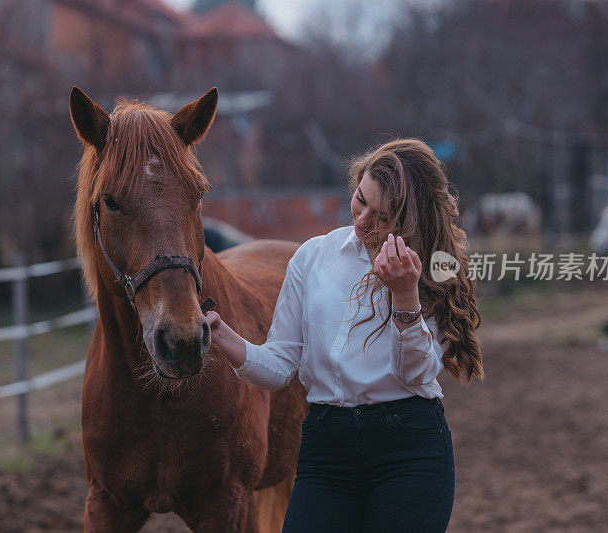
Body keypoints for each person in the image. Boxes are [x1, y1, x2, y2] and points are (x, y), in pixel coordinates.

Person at [206, 138, 484, 533]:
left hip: (408, 450)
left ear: (410, 219)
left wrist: (405, 296)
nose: (362, 220)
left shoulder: (436, 268)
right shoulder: (313, 256)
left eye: (382, 215)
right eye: (360, 199)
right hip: (326, 449)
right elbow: (281, 365)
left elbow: (417, 376)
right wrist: (221, 333)